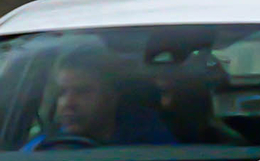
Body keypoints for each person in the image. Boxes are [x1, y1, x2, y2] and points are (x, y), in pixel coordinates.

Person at [25, 49, 176, 150]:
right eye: (62, 92)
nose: (68, 103)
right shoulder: (43, 147)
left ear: (111, 97)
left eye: (82, 91)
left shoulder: (152, 145)